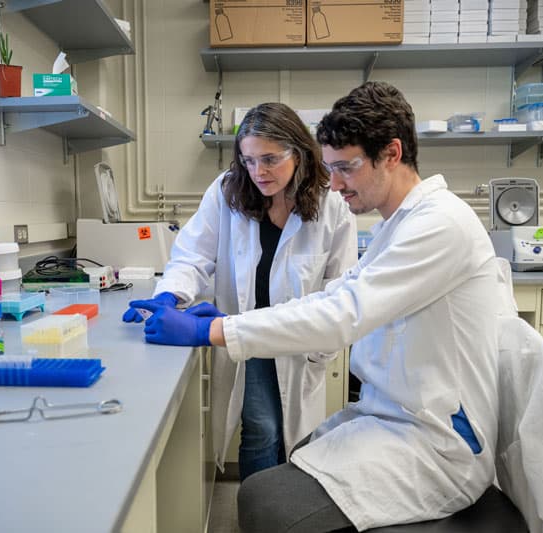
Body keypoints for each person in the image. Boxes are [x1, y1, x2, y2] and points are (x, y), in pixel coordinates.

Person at [131, 81, 503, 532]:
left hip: (436, 440)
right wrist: (222, 316)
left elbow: (343, 311)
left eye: (346, 167)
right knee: (271, 464)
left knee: (269, 496)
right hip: (397, 416)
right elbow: (335, 295)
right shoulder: (400, 225)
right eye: (332, 168)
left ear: (391, 153)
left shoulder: (438, 225)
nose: (337, 183)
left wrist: (214, 331)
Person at [123, 102, 358, 482]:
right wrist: (171, 295)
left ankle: (286, 509)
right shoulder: (227, 191)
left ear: (297, 152)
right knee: (262, 428)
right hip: (244, 332)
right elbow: (193, 254)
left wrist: (320, 351)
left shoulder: (332, 205)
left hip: (298, 342)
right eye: (248, 160)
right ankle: (259, 512)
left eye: (269, 159)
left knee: (296, 439)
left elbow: (341, 288)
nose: (257, 172)